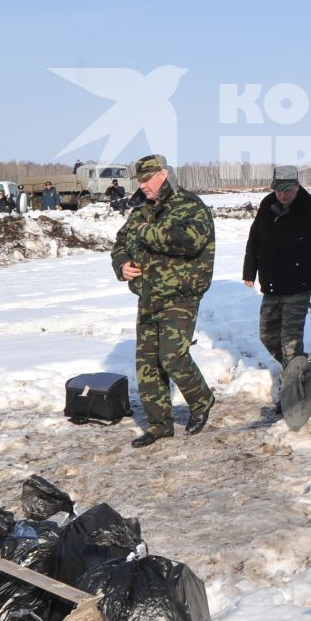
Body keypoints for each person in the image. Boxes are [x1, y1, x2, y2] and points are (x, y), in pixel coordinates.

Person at [111, 154, 216, 447]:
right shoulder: (140, 210)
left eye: (147, 179)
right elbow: (120, 243)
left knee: (172, 355)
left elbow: (191, 241)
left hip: (180, 295)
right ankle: (159, 425)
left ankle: (201, 400)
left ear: (163, 174)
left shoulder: (189, 205)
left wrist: (147, 233)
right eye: (140, 180)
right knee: (147, 363)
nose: (143, 185)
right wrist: (122, 266)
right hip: (147, 295)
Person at [242, 165, 311, 373]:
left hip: (298, 287)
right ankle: (302, 371)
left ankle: (296, 393)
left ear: (297, 186)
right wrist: (249, 270)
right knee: (267, 335)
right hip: (272, 285)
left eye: (288, 190)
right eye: (278, 190)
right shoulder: (267, 205)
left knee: (290, 343)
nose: (283, 195)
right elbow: (255, 239)